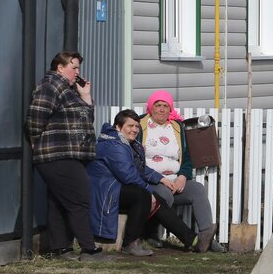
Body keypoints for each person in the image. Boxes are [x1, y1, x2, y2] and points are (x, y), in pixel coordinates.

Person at [26, 51, 106, 261]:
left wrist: (86, 96)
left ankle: (60, 248)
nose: (77, 72)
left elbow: (86, 120)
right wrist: (37, 142)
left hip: (68, 154)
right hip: (56, 154)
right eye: (74, 67)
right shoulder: (50, 86)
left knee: (59, 201)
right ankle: (89, 249)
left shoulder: (70, 91)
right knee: (80, 200)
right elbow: (35, 118)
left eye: (78, 68)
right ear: (60, 68)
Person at [88, 109, 200, 256]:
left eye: (136, 126)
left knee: (153, 198)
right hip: (105, 191)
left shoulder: (128, 144)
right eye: (130, 126)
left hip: (116, 187)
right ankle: (131, 242)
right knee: (143, 195)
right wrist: (149, 192)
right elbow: (128, 175)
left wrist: (162, 179)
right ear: (118, 127)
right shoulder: (114, 145)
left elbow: (141, 168)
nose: (134, 130)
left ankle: (191, 240)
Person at [138, 91, 218, 253]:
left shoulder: (177, 127)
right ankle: (151, 233)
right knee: (164, 196)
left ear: (170, 109)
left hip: (175, 180)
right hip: (152, 181)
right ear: (150, 108)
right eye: (158, 105)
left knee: (197, 189)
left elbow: (187, 157)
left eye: (165, 106)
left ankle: (206, 237)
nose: (161, 109)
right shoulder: (140, 125)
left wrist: (182, 177)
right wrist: (161, 179)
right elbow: (136, 160)